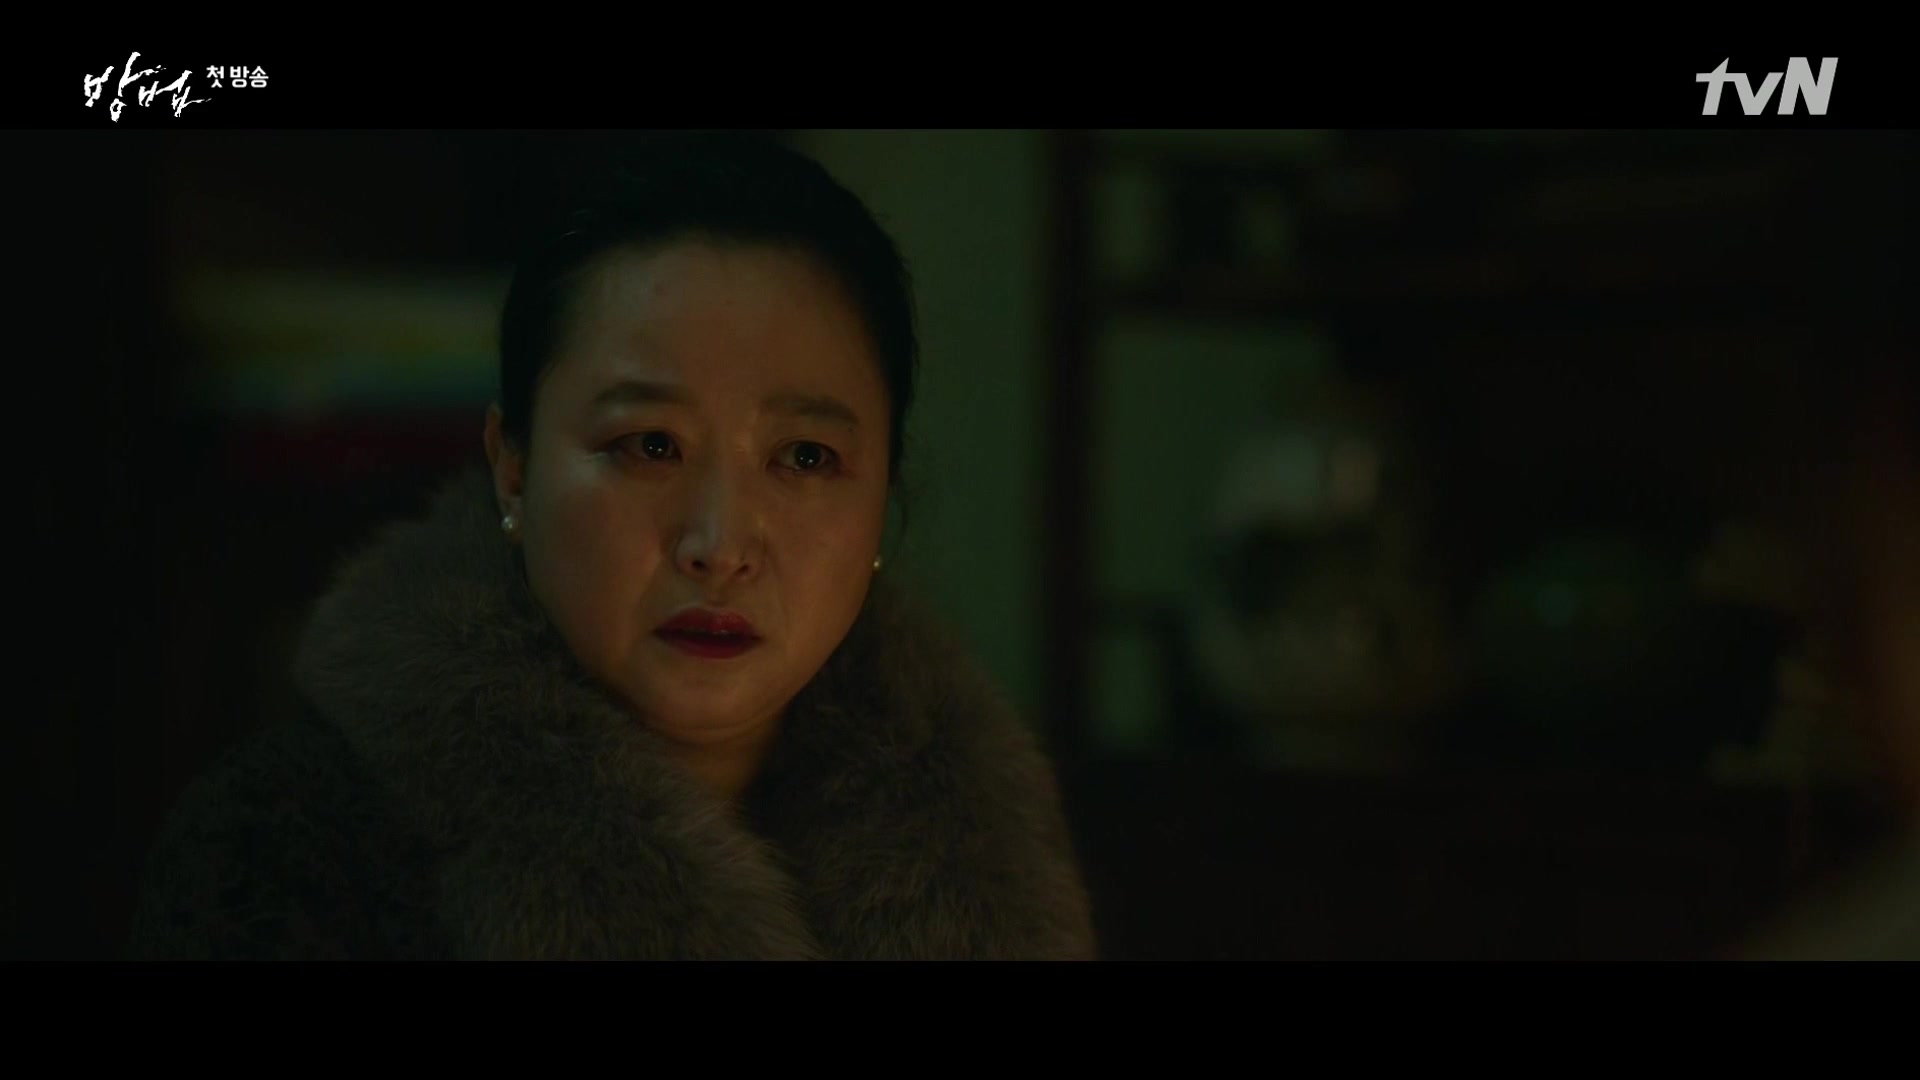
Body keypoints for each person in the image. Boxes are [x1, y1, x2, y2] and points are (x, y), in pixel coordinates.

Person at [128, 133, 1097, 960]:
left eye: (804, 457)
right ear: (513, 467)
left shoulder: (991, 870)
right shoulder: (289, 856)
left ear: (883, 496)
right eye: (649, 446)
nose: (719, 546)